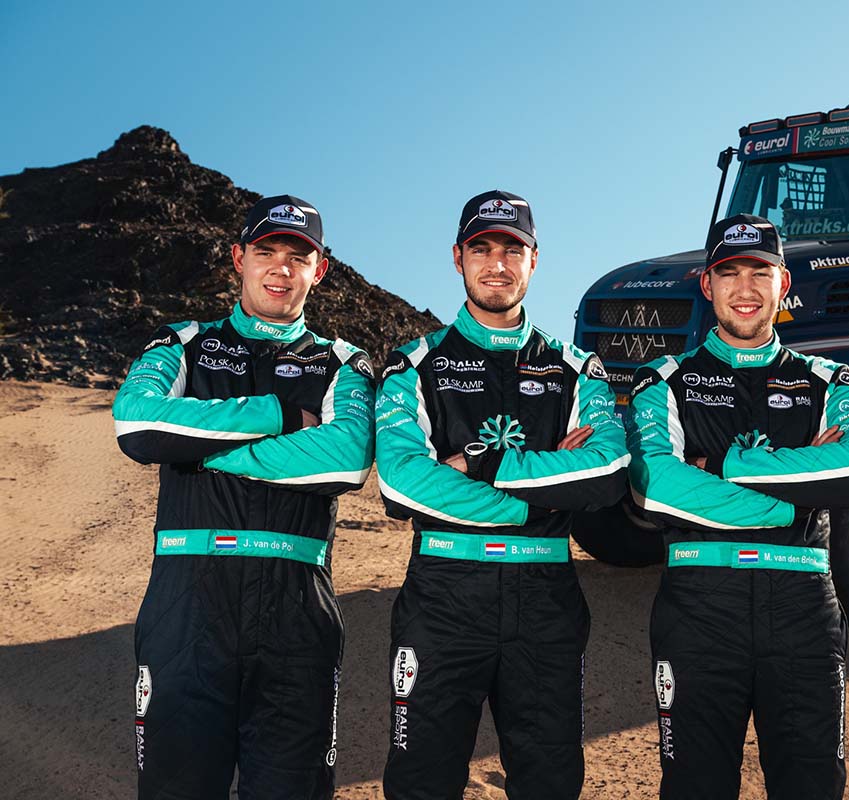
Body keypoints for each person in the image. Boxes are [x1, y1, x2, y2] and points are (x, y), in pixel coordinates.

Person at [112, 195, 375, 799]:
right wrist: (280, 414)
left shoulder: (343, 361)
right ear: (239, 258)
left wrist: (198, 445)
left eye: (298, 257)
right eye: (266, 252)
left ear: (319, 270)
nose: (281, 268)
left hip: (297, 607)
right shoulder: (183, 343)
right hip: (186, 600)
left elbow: (345, 457)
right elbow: (136, 423)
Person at [374, 189, 629, 799]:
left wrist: (477, 464)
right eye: (482, 248)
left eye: (512, 250)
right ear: (457, 257)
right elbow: (403, 486)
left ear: (534, 260)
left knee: (551, 783)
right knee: (420, 783)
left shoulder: (577, 369)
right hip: (442, 598)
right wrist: (546, 491)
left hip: (546, 600)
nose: (497, 264)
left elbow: (606, 475)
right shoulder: (414, 365)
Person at [627, 214, 849, 799]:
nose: (745, 289)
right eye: (729, 273)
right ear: (707, 284)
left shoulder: (829, 380)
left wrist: (721, 465)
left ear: (783, 283)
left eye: (760, 273)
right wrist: (794, 496)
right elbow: (654, 489)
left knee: (813, 788)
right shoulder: (663, 381)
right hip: (698, 611)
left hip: (803, 611)